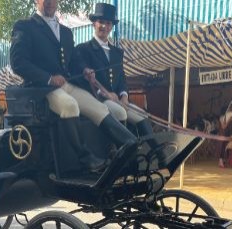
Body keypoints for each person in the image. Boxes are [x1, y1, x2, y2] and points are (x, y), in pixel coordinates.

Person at [10, 0, 137, 173]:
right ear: (36, 1)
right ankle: (85, 158)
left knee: (99, 107)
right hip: (42, 88)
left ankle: (131, 145)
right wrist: (48, 78)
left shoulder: (66, 32)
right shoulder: (24, 26)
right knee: (69, 106)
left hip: (67, 85)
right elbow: (18, 62)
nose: (49, 3)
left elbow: (72, 62)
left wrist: (84, 70)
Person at [75, 3, 158, 152]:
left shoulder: (117, 52)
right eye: (101, 22)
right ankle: (121, 154)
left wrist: (124, 96)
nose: (104, 27)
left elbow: (121, 79)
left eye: (108, 23)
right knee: (120, 112)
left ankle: (156, 152)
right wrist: (105, 94)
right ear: (94, 24)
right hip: (98, 99)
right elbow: (84, 80)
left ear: (111, 26)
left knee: (142, 115)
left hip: (118, 100)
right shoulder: (83, 49)